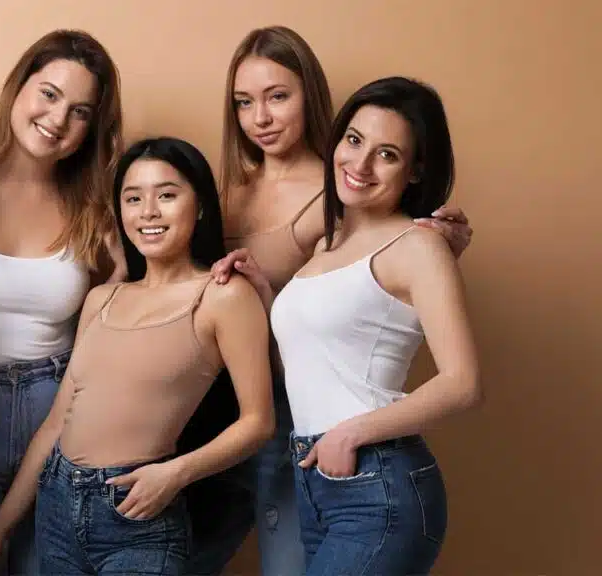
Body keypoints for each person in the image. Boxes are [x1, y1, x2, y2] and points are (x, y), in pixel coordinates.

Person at [190, 26, 476, 575]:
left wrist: (350, 433)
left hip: (368, 468)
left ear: (414, 169)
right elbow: (310, 342)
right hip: (306, 460)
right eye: (354, 142)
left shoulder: (405, 237)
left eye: (387, 154)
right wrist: (264, 291)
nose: (361, 165)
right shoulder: (328, 244)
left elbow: (463, 382)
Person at [0, 137, 276, 575]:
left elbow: (258, 422)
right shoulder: (101, 298)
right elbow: (57, 423)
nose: (148, 212)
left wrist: (175, 474)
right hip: (57, 506)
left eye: (167, 195)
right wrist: (0, 531)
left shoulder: (223, 296)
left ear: (200, 207)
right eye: (133, 198)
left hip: (139, 513)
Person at [0, 29, 127, 576]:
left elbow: (127, 298)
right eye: (49, 94)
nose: (58, 119)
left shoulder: (92, 199)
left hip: (60, 407)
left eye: (80, 112)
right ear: (19, 86)